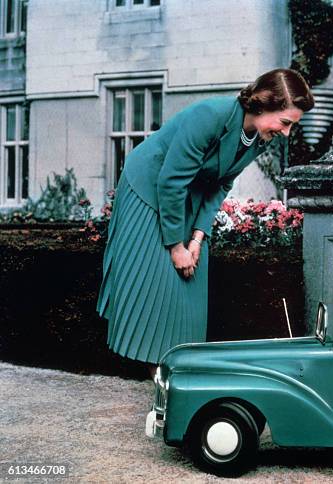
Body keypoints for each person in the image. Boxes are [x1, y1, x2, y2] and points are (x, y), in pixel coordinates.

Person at [96, 69, 314, 374]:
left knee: (191, 280)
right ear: (264, 104)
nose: (287, 132)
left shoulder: (258, 138)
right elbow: (171, 182)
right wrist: (175, 246)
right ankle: (153, 372)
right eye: (285, 122)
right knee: (158, 278)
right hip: (148, 187)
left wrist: (197, 238)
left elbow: (220, 186)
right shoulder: (210, 115)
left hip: (189, 193)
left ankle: (178, 368)